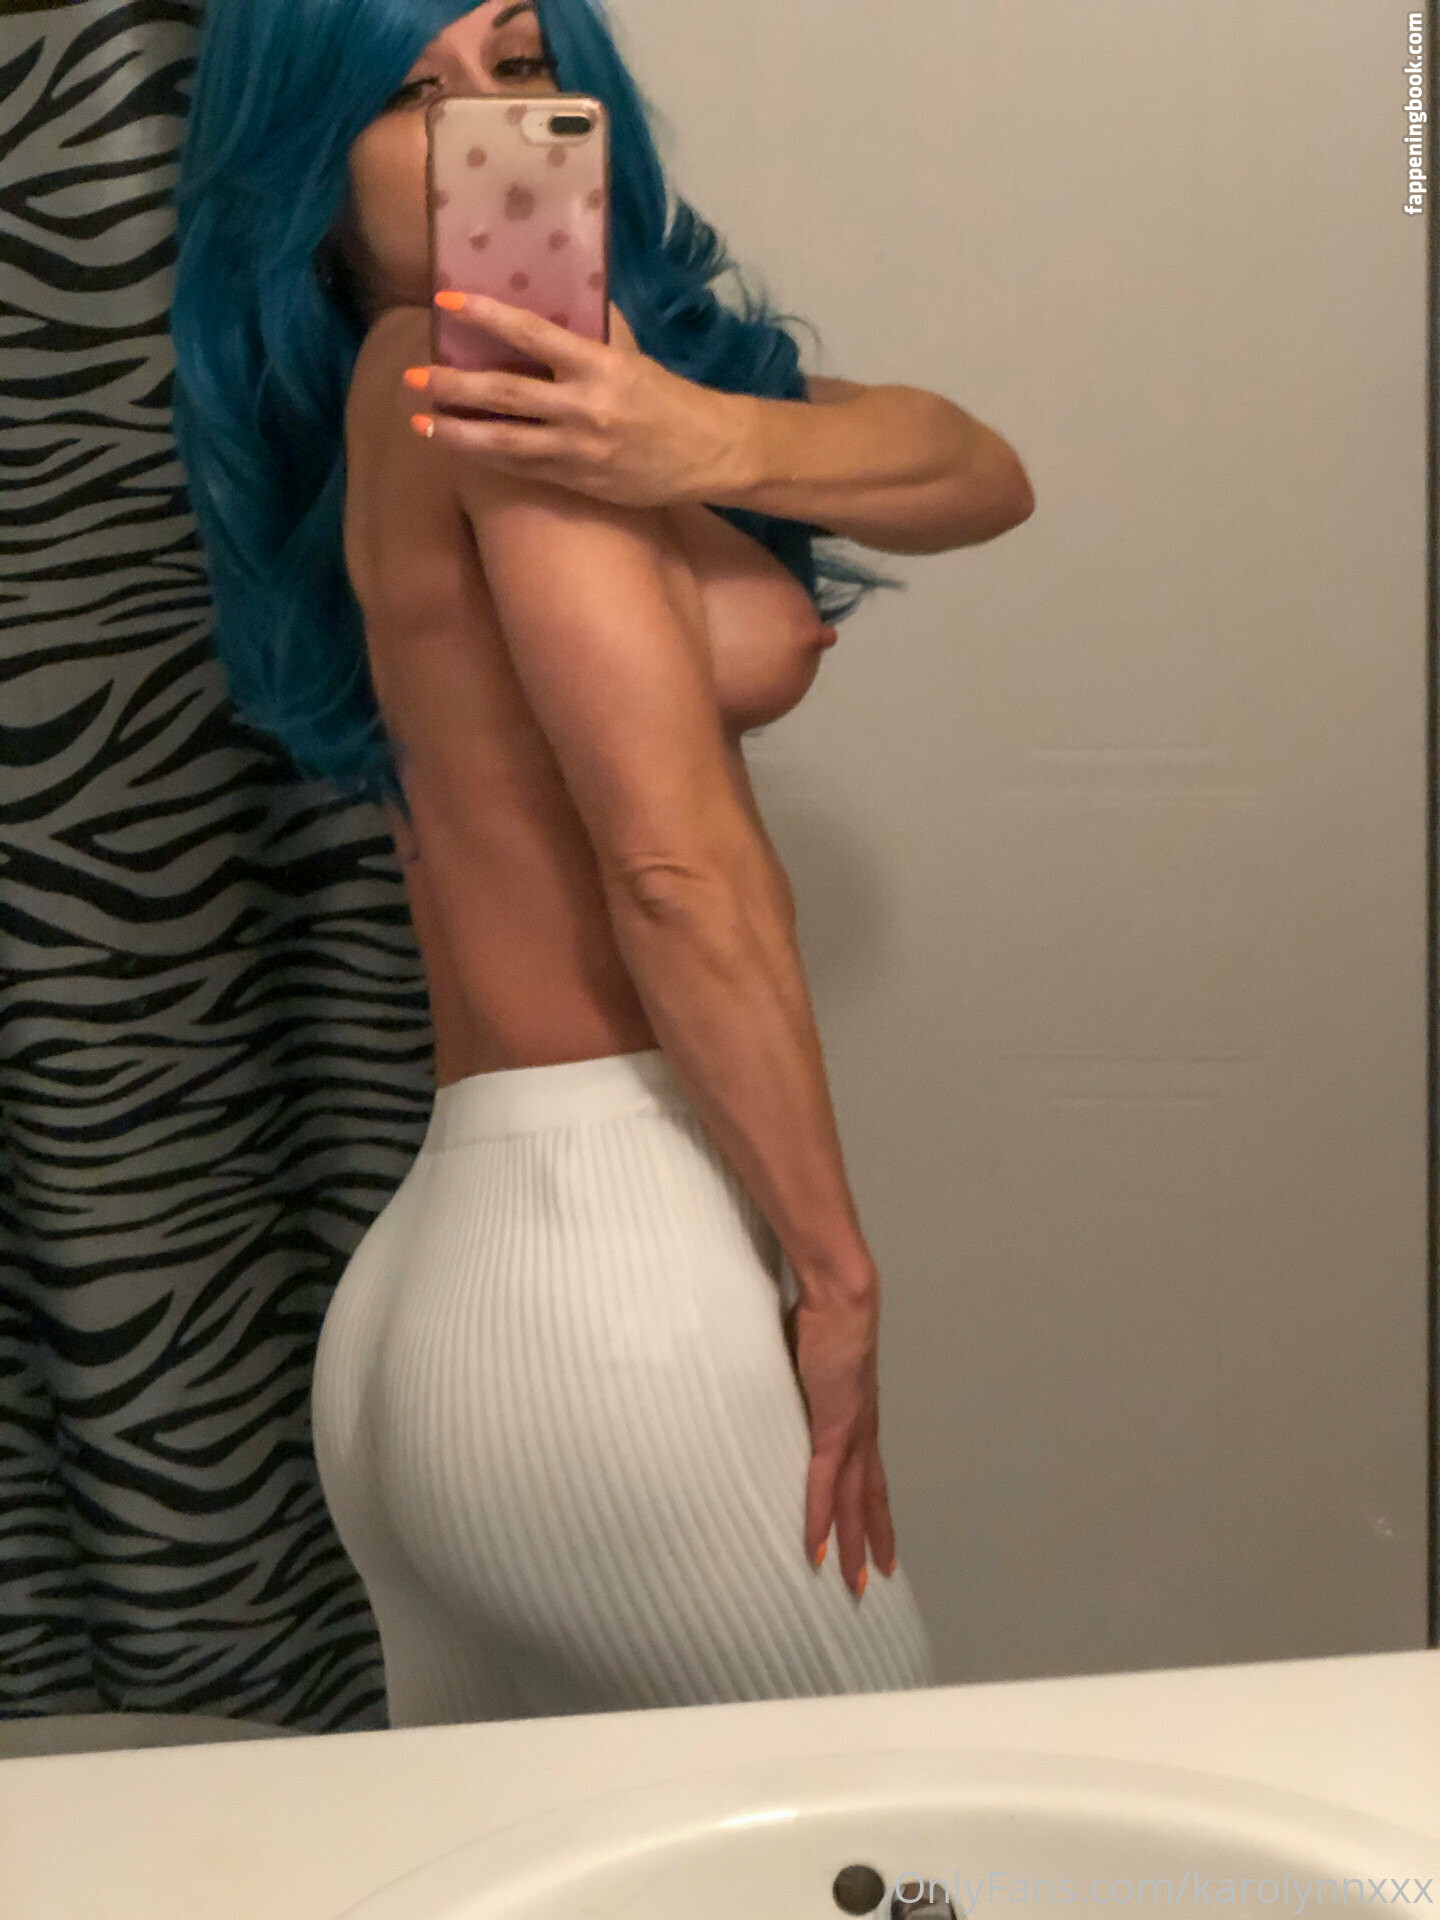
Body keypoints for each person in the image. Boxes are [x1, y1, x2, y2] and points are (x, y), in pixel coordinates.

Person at [171, 0, 1034, 1726]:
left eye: (520, 67)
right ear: (307, 166)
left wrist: (701, 438)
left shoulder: (497, 392)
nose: (483, 125)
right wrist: (837, 1276)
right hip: (605, 1275)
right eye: (406, 94)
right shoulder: (476, 372)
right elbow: (671, 867)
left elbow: (979, 470)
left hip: (441, 1286)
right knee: (873, 1842)